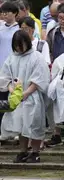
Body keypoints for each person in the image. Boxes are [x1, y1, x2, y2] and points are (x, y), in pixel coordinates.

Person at [0, 30, 50, 163]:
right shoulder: (11, 57)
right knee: (21, 125)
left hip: (32, 96)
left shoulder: (36, 57)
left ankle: (35, 152)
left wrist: (26, 92)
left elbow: (40, 78)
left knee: (33, 124)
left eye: (20, 45)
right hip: (17, 98)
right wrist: (12, 89)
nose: (18, 48)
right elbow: (5, 77)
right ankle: (23, 150)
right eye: (16, 45)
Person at [0, 1, 20, 66]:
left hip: (14, 63)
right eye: (3, 12)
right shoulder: (1, 26)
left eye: (7, 12)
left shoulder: (19, 28)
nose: (4, 14)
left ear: (15, 13)